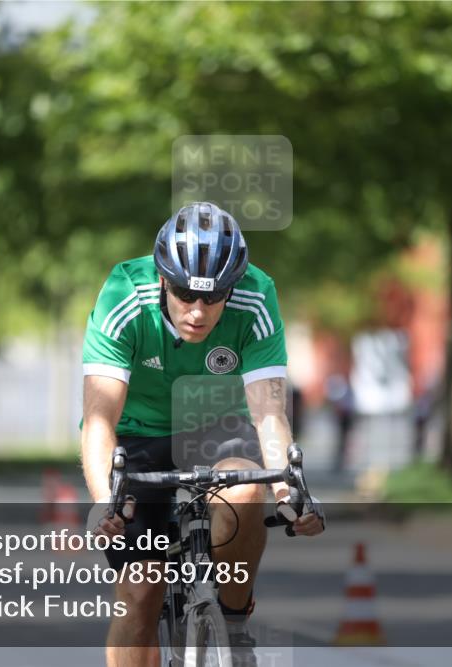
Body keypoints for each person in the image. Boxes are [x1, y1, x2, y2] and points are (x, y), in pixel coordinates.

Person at [82, 202, 324, 667]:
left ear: (232, 288)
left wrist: (286, 491)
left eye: (213, 298)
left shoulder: (257, 296)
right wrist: (102, 502)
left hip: (217, 428)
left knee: (246, 490)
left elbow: (269, 412)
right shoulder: (122, 295)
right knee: (139, 590)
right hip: (137, 435)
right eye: (184, 294)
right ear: (161, 279)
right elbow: (99, 420)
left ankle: (233, 625)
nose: (197, 311)